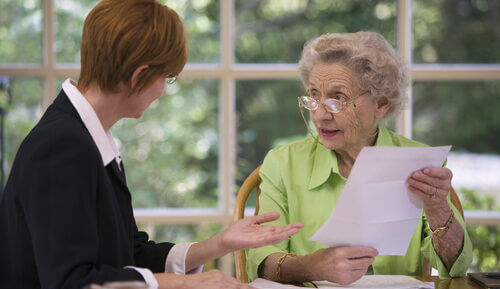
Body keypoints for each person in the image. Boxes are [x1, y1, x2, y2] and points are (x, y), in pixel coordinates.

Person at [0, 1, 303, 288]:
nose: (163, 90)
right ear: (139, 76)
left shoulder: (86, 138)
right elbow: (73, 281)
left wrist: (217, 244)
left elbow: (130, 255)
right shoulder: (62, 147)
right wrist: (188, 283)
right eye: (167, 77)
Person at [246, 31, 472, 285]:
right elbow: (261, 260)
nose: (319, 115)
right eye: (314, 96)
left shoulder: (418, 162)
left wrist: (438, 209)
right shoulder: (283, 163)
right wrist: (310, 267)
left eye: (337, 99)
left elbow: (456, 269)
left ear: (381, 104)